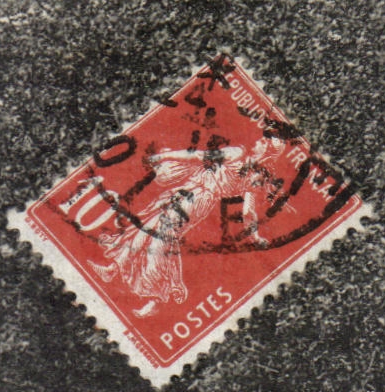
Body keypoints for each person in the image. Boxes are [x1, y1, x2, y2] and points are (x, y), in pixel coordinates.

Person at [91, 135, 286, 317]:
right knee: (149, 223)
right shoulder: (250, 168)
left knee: (162, 238)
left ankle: (160, 295)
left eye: (263, 142)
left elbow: (198, 157)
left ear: (266, 151)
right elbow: (247, 212)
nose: (258, 142)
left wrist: (164, 155)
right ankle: (114, 269)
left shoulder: (243, 160)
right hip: (190, 191)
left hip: (198, 197)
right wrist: (255, 237)